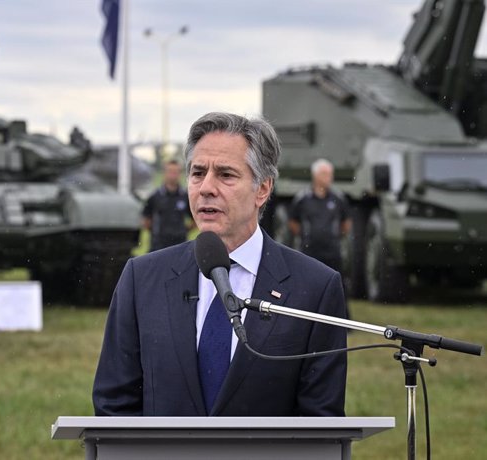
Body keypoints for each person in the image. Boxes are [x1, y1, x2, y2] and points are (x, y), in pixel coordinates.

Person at [92, 112, 347, 417]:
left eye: (225, 175)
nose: (206, 188)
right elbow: (113, 406)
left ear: (262, 189)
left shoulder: (315, 288)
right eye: (198, 173)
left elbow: (320, 422)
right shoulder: (142, 278)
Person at [288, 159, 352, 274]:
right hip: (309, 252)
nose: (329, 177)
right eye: (325, 174)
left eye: (330, 174)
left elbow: (346, 223)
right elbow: (293, 222)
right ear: (315, 175)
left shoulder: (338, 198)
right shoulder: (303, 198)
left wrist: (334, 236)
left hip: (332, 253)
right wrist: (306, 235)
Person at [141, 159, 193, 251]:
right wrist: (157, 231)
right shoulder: (155, 196)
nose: (173, 175)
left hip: (179, 245)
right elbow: (145, 220)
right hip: (158, 246)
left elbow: (195, 219)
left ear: (180, 174)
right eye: (170, 171)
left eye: (176, 172)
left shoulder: (185, 197)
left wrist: (184, 230)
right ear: (164, 173)